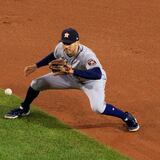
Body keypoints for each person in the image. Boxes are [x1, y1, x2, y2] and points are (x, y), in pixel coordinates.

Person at [4, 27, 140, 132]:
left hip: (91, 81)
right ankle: (24, 108)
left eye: (69, 43)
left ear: (77, 42)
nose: (66, 46)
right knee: (36, 83)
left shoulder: (87, 55)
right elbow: (53, 55)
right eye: (64, 42)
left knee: (98, 108)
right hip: (71, 76)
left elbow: (97, 74)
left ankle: (127, 117)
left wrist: (72, 70)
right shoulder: (61, 47)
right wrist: (36, 66)